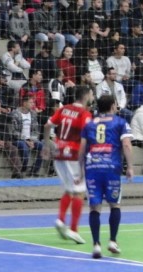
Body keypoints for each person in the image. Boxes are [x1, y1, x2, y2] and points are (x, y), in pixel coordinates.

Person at [77, 94, 134, 259]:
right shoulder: (120, 122)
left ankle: (96, 245)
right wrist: (130, 166)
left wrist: (81, 172)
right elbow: (126, 144)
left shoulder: (88, 124)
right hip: (111, 168)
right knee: (114, 204)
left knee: (94, 207)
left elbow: (82, 149)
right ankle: (112, 241)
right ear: (112, 106)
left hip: (93, 168)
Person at [42, 86, 94, 244]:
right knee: (79, 192)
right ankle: (74, 230)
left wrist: (46, 144)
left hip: (59, 152)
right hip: (74, 154)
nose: (92, 97)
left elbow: (47, 125)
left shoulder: (63, 109)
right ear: (85, 96)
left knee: (69, 189)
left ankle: (60, 219)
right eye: (91, 94)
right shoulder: (85, 114)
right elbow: (87, 136)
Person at [11, 97, 44, 177]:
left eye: (33, 103)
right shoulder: (15, 113)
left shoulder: (33, 114)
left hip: (31, 139)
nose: (33, 105)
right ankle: (22, 169)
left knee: (43, 147)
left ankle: (34, 170)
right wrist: (25, 140)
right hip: (18, 139)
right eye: (31, 102)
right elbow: (13, 131)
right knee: (24, 148)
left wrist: (32, 140)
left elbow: (36, 130)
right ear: (24, 103)